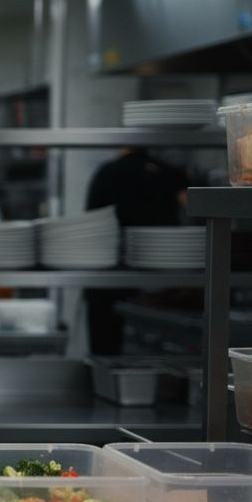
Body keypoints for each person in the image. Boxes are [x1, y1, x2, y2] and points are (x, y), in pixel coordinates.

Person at [84, 147, 187, 355]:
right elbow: (194, 211)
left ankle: (106, 385)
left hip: (109, 274)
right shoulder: (170, 173)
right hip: (163, 276)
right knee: (160, 352)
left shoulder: (107, 172)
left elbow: (91, 224)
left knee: (106, 350)